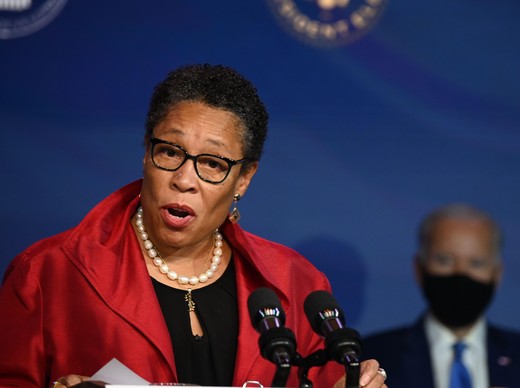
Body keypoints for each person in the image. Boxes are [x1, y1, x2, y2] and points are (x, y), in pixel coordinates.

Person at [0, 64, 387, 388]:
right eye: (170, 152)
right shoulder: (47, 274)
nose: (185, 179)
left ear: (244, 179)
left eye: (213, 164)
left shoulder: (295, 284)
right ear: (146, 155)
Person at [362, 203, 520, 388]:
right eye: (445, 260)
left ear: (497, 274)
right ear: (419, 268)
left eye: (476, 263)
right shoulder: (374, 356)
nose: (460, 274)